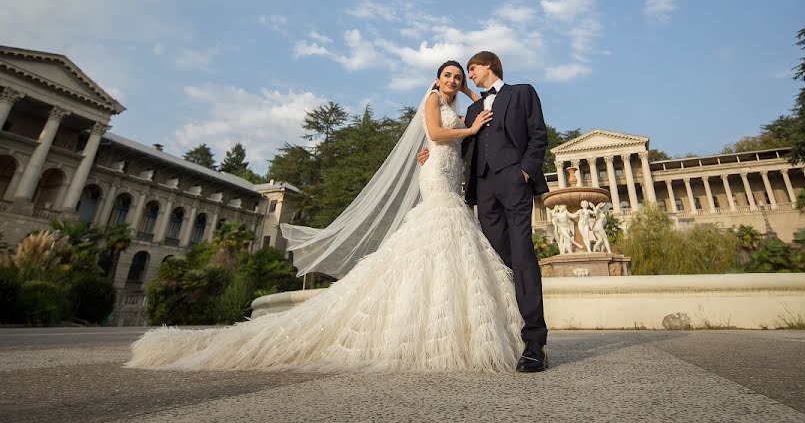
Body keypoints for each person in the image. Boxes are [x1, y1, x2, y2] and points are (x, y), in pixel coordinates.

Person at [125, 61, 525, 373]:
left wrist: (471, 95)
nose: (455, 80)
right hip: (437, 170)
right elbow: (436, 135)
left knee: (449, 241)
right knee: (438, 230)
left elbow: (468, 109)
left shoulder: (456, 100)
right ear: (436, 81)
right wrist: (471, 129)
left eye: (459, 76)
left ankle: (459, 328)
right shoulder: (433, 101)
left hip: (448, 169)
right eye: (447, 76)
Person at [418, 51, 550, 373]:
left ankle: (535, 342)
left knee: (522, 256)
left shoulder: (522, 92)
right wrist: (431, 153)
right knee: (495, 259)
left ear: (487, 65)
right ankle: (507, 331)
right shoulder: (474, 108)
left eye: (470, 70)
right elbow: (461, 144)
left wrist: (526, 171)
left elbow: (538, 134)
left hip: (514, 181)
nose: (467, 76)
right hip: (483, 189)